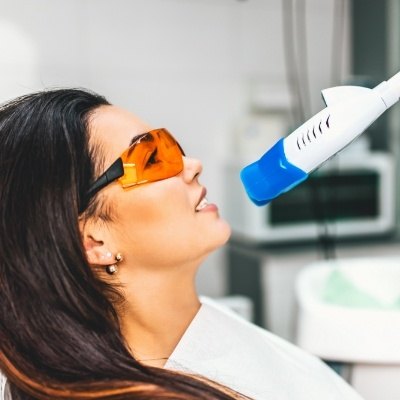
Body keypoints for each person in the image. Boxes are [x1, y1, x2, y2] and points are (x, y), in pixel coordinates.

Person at [0, 89, 363, 400]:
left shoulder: (197, 324)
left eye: (171, 146)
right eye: (152, 158)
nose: (192, 165)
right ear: (94, 241)